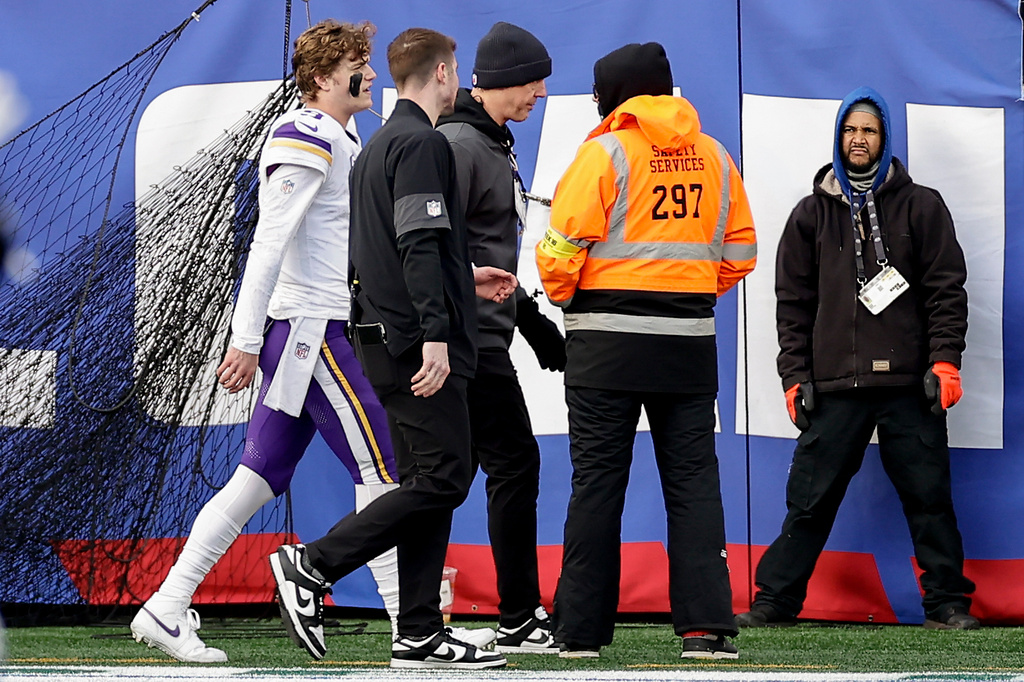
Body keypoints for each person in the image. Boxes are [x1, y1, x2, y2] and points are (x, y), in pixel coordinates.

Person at [130, 20, 401, 663]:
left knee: (255, 478)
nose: (369, 72)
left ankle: (166, 606)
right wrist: (245, 338)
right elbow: (268, 242)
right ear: (321, 78)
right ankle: (415, 627)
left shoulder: (338, 132)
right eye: (356, 63)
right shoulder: (305, 133)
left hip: (311, 330)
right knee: (386, 470)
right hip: (313, 332)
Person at [269, 27, 515, 670]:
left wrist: (465, 278)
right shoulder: (420, 142)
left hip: (382, 339)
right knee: (447, 477)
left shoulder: (376, 145)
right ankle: (313, 563)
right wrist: (437, 333)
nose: (458, 80)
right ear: (442, 73)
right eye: (456, 70)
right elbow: (416, 245)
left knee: (424, 479)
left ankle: (417, 632)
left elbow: (393, 250)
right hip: (415, 346)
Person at [535, 42, 756, 660]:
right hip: (687, 348)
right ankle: (707, 630)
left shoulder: (602, 153)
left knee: (598, 487)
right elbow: (740, 253)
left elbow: (557, 256)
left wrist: (572, 297)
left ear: (613, 97)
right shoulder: (715, 156)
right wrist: (683, 292)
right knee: (692, 485)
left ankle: (578, 633)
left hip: (604, 353)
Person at [736, 86, 977, 630]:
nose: (859, 139)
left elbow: (947, 289)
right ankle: (775, 602)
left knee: (930, 499)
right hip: (836, 384)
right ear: (838, 137)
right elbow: (792, 305)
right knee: (809, 503)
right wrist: (794, 376)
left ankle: (948, 604)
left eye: (868, 130)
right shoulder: (810, 215)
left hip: (909, 385)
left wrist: (944, 361)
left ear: (885, 137)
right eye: (850, 130)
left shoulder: (922, 205)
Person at [435, 21, 564, 655]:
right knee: (498, 467)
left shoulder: (493, 140)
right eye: (532, 81)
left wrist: (530, 319)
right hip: (463, 342)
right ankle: (515, 613)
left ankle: (505, 612)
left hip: (486, 334)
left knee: (456, 475)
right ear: (501, 83)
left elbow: (488, 250)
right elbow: (432, 247)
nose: (540, 92)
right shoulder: (460, 146)